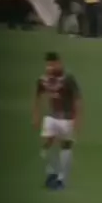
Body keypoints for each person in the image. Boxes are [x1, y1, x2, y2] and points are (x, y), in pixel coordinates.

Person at [33, 51, 82, 189]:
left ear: (59, 63)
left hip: (67, 118)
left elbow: (77, 99)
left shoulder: (68, 79)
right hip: (51, 116)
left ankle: (62, 179)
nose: (50, 67)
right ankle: (52, 172)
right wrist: (36, 115)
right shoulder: (43, 79)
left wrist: (78, 118)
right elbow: (37, 96)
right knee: (46, 145)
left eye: (53, 64)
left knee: (65, 146)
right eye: (48, 65)